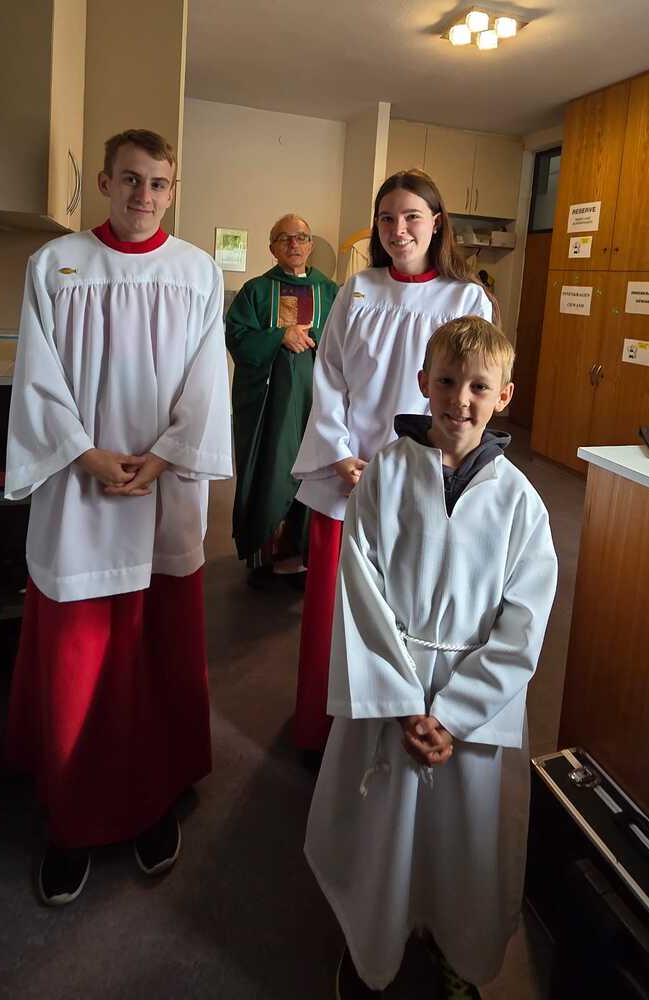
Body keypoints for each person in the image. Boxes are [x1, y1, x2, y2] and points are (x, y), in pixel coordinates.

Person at [4, 129, 232, 905]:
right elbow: (36, 377)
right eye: (130, 179)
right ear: (103, 182)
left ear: (172, 190)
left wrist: (165, 456)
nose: (144, 195)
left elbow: (205, 381)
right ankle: (71, 819)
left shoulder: (196, 271)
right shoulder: (56, 265)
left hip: (162, 496)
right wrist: (84, 454)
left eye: (158, 183)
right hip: (79, 495)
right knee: (78, 664)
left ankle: (151, 800)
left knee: (154, 658)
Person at [305, 315, 558, 998]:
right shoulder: (385, 475)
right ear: (423, 382)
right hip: (392, 688)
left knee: (463, 841)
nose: (459, 400)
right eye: (446, 382)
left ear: (503, 395)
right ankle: (372, 946)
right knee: (381, 832)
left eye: (478, 386)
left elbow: (523, 623)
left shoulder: (520, 502)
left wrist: (453, 714)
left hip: (474, 711)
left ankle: (457, 952)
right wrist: (400, 703)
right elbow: (360, 590)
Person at [291, 169, 494, 754]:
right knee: (336, 612)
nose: (398, 229)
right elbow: (329, 375)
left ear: (437, 223)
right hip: (347, 477)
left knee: (403, 613)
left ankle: (389, 731)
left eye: (411, 217)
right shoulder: (358, 290)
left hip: (421, 478)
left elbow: (469, 391)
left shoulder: (465, 299)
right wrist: (339, 455)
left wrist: (419, 465)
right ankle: (323, 732)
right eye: (387, 218)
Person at [226, 215, 337, 588]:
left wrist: (312, 335)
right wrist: (278, 336)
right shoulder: (256, 291)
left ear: (310, 245)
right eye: (285, 238)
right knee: (272, 469)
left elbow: (346, 340)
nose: (294, 244)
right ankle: (265, 556)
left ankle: (305, 557)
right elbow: (236, 336)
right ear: (272, 247)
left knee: (314, 472)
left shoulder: (330, 292)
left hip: (317, 404)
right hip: (270, 406)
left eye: (302, 237)